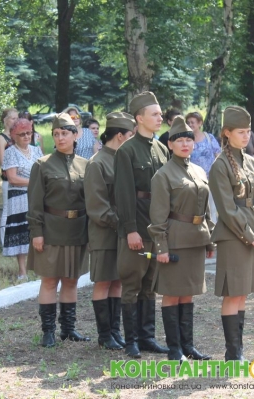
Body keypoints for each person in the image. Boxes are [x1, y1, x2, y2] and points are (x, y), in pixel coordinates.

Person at [209, 106, 254, 361]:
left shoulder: (251, 161)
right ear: (227, 133)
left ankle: (239, 351)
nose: (246, 136)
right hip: (233, 235)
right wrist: (251, 235)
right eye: (241, 132)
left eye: (248, 132)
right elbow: (226, 209)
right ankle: (232, 353)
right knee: (232, 293)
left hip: (252, 236)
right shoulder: (220, 165)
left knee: (243, 292)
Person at [148, 116, 214, 361]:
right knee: (172, 293)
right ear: (170, 145)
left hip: (196, 240)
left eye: (189, 139)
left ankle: (188, 346)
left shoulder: (198, 170)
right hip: (174, 241)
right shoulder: (163, 175)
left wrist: (209, 240)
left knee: (188, 293)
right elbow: (158, 217)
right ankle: (174, 349)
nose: (185, 144)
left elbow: (206, 210)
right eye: (179, 140)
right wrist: (161, 247)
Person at [27, 113, 90, 348]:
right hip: (51, 230)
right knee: (50, 281)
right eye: (56, 134)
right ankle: (48, 331)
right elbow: (35, 202)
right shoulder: (42, 165)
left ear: (76, 135)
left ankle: (69, 329)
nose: (60, 137)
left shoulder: (86, 165)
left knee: (72, 281)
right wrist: (37, 232)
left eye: (65, 133)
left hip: (77, 230)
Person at [114, 91, 170, 358]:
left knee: (150, 283)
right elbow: (123, 193)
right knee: (132, 283)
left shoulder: (161, 149)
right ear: (140, 118)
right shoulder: (127, 150)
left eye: (160, 114)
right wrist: (130, 229)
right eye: (155, 114)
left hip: (156, 226)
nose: (160, 118)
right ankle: (131, 340)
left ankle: (147, 336)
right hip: (137, 224)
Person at [84, 112, 135, 350]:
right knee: (104, 281)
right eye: (131, 135)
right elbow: (97, 206)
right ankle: (104, 334)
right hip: (105, 232)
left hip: (122, 231)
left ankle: (115, 331)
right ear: (119, 136)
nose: (133, 139)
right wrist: (122, 224)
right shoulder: (97, 162)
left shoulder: (123, 159)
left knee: (118, 281)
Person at [2, 118, 43, 281]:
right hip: (18, 198)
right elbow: (12, 178)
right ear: (14, 136)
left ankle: (38, 268)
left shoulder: (37, 150)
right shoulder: (10, 152)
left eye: (29, 133)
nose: (26, 136)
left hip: (36, 196)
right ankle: (22, 271)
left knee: (37, 231)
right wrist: (34, 182)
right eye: (22, 134)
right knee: (21, 231)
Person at [186, 111, 222, 222]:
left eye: (193, 122)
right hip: (193, 180)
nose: (191, 125)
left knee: (211, 207)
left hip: (210, 179)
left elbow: (218, 155)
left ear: (200, 123)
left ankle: (212, 231)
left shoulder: (209, 137)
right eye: (188, 123)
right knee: (195, 208)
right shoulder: (186, 140)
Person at [0, 108, 18, 246]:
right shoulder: (1, 138)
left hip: (21, 179)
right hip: (8, 179)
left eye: (17, 118)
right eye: (13, 118)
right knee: (7, 210)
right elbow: (3, 161)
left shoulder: (18, 136)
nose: (15, 121)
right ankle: (5, 242)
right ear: (5, 120)